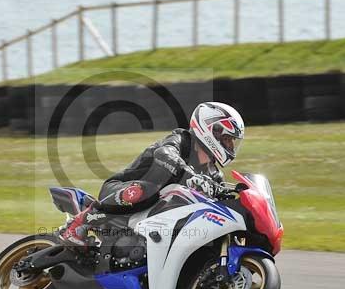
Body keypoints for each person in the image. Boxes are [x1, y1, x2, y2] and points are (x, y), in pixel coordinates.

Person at [58, 101, 245, 250]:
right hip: (122, 189)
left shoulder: (214, 175)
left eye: (232, 141)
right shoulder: (182, 140)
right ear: (211, 130)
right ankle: (80, 222)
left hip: (155, 218)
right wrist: (190, 174)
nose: (230, 146)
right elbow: (165, 154)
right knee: (149, 190)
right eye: (227, 139)